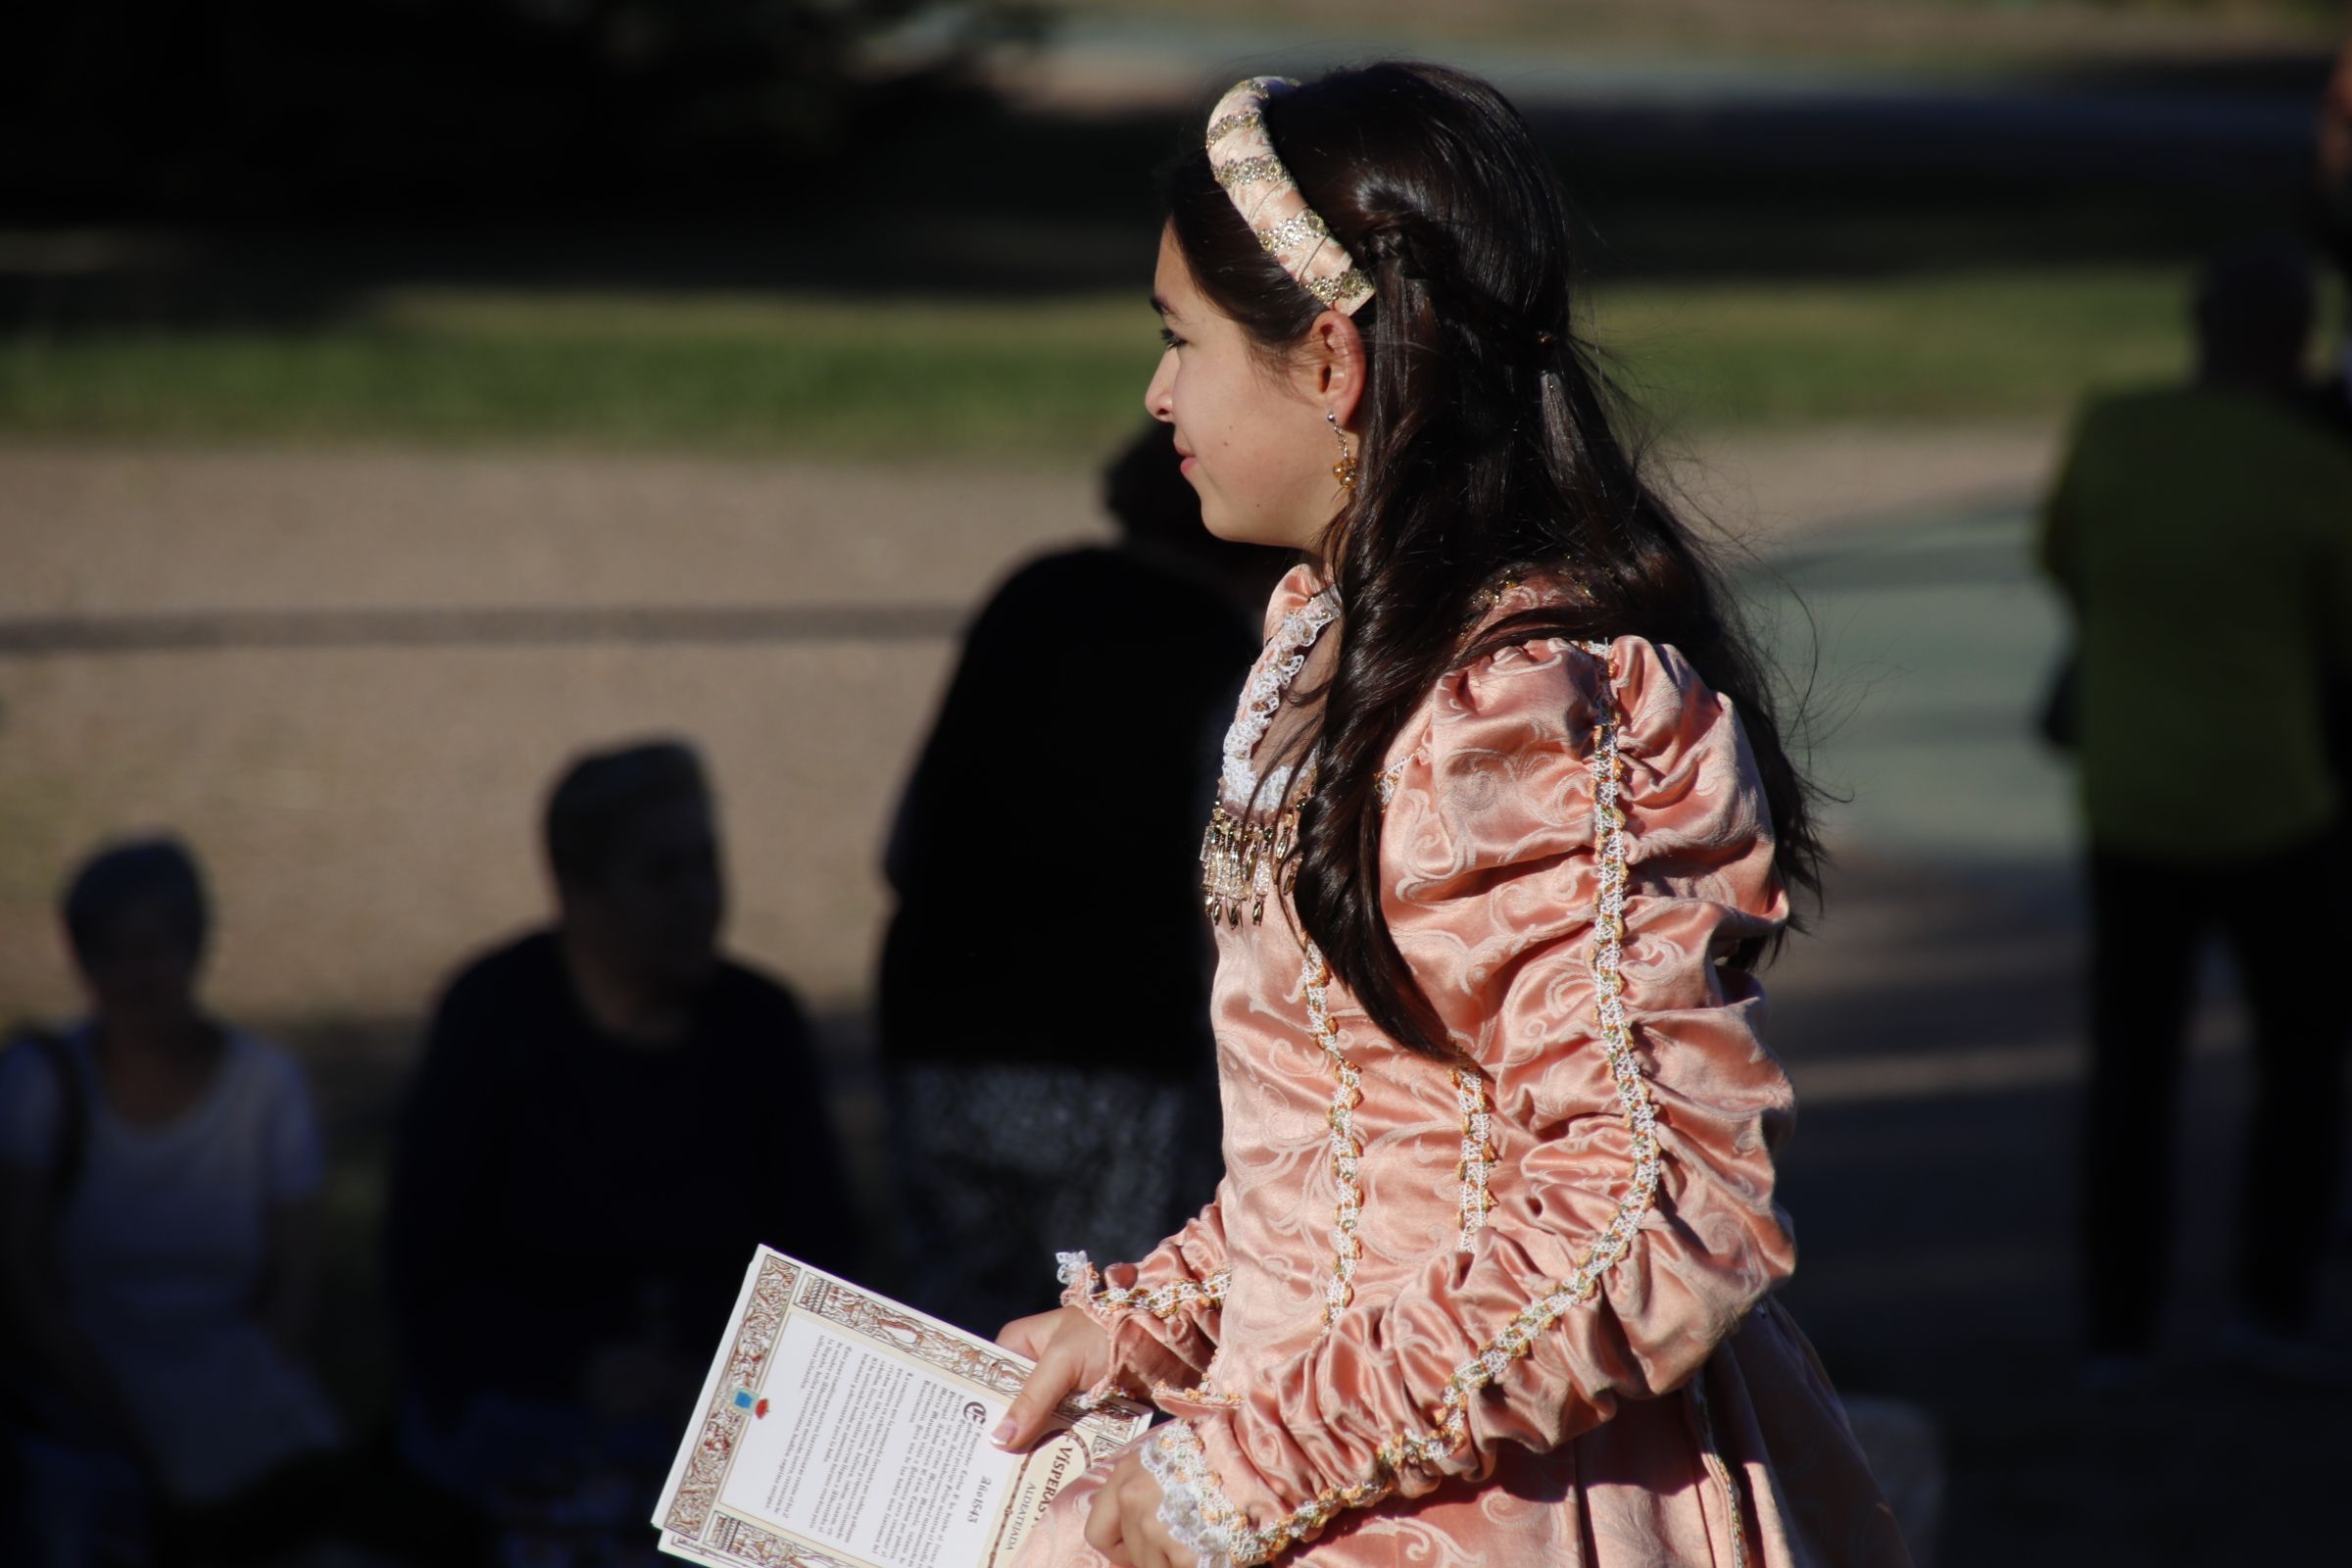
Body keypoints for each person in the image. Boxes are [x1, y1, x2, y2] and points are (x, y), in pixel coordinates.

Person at [991, 65, 1910, 1568]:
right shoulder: (1328, 647)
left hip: (1487, 1500)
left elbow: (1653, 1209)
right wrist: (1152, 1325)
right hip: (1328, 1448)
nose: (1157, 394)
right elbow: (1368, 1138)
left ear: (1333, 365)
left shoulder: (1517, 724)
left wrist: (1252, 1465)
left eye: (1182, 342)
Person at [386, 740, 856, 1563]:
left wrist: (708, 1378)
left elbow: (822, 1255)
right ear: (579, 892)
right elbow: (428, 1267)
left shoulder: (759, 1025)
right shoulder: (495, 1021)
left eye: (708, 864)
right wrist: (580, 1367)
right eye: (664, 874)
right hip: (533, 1401)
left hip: (729, 1401)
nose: (700, 898)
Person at [880, 420, 1283, 1337]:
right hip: (1116, 1073)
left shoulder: (1030, 595)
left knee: (950, 1345)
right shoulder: (1232, 666)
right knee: (1107, 1348)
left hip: (939, 1048)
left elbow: (903, 845)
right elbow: (1219, 914)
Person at [2037, 238, 2352, 1388]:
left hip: (2132, 796)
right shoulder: (2312, 467)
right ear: (2299, 340)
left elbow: (2064, 560)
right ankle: (2268, 1304)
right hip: (2278, 799)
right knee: (2300, 1062)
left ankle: (2118, 1324)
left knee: (2131, 1072)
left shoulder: (2116, 429)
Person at [0, 837, 341, 1566]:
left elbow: (298, 1274)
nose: (134, 978)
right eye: (109, 954)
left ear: (194, 948)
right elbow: (19, 1269)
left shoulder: (265, 1086)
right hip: (80, 1389)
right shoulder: (41, 1085)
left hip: (233, 1384)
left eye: (150, 950)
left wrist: (254, 1386)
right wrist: (100, 1404)